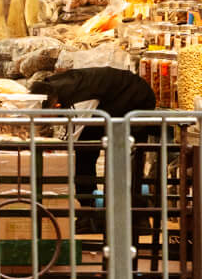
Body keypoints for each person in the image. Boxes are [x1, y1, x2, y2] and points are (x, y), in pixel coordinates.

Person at [30, 66, 158, 216]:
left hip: (134, 99)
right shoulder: (47, 89)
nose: (43, 122)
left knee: (125, 159)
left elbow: (69, 143)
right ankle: (89, 210)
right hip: (107, 102)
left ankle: (134, 215)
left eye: (45, 118)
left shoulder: (78, 101)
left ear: (56, 107)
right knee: (85, 155)